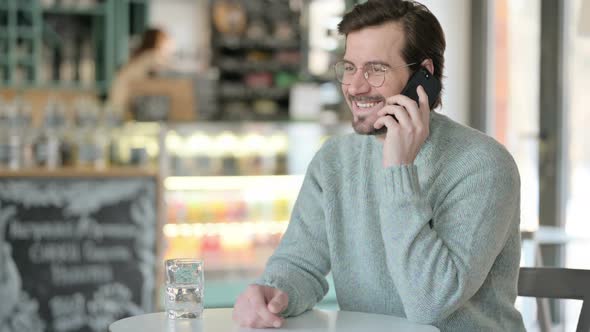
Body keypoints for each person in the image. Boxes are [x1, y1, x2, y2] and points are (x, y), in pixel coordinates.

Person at [232, 0, 526, 331]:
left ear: (423, 75)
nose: (355, 86)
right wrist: (274, 292)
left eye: (375, 69)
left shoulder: (484, 165)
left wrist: (398, 170)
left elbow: (429, 303)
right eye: (349, 67)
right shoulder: (334, 160)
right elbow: (298, 264)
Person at [108, 27, 175, 114]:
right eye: (164, 41)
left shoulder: (140, 56)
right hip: (123, 98)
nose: (166, 45)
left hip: (118, 96)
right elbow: (169, 68)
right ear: (157, 41)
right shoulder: (150, 56)